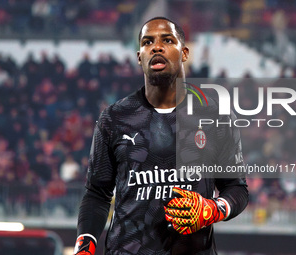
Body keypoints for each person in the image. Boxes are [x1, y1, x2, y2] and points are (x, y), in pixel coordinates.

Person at [74, 17, 248, 255]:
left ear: (184, 53)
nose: (156, 47)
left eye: (167, 40)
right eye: (148, 42)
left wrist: (213, 209)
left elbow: (236, 188)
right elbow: (96, 193)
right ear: (139, 58)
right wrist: (84, 247)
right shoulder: (114, 118)